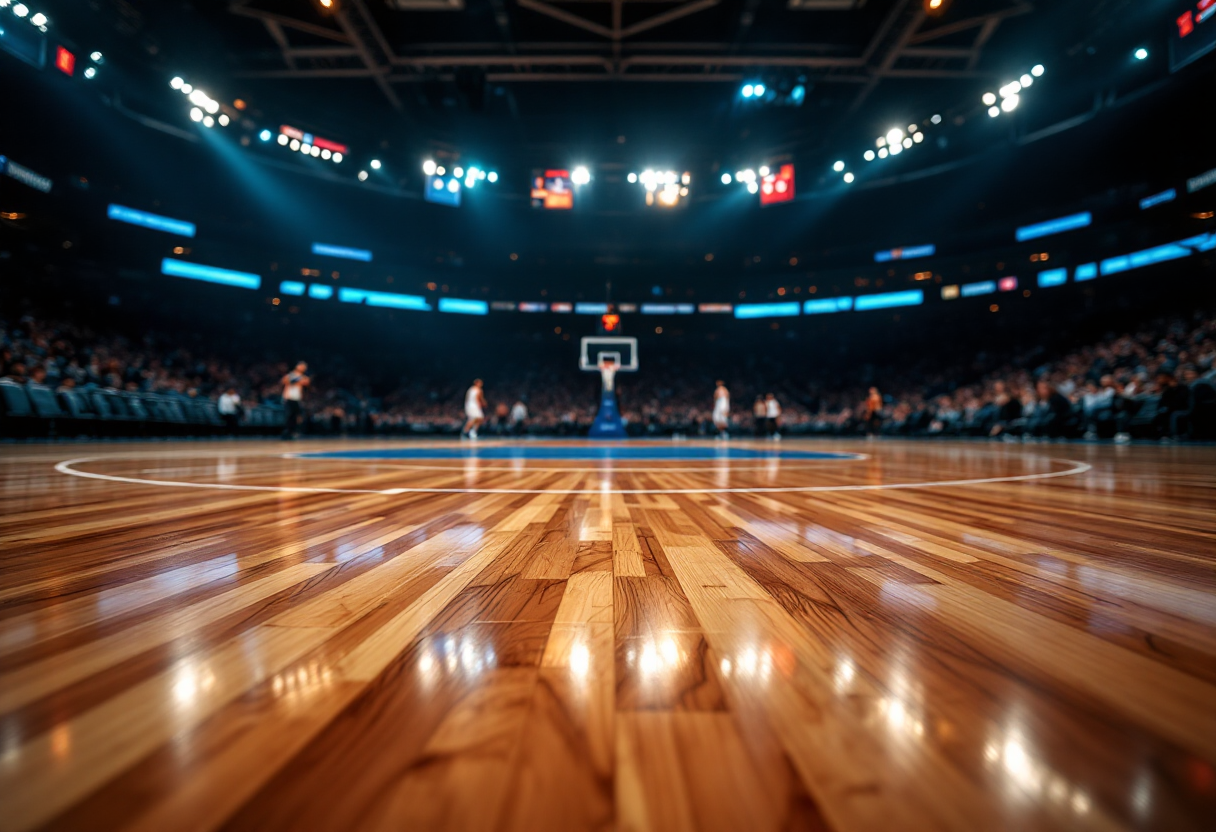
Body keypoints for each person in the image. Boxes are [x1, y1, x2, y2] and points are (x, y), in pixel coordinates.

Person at [281, 362, 310, 440]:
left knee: (296, 416)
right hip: (289, 397)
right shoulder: (291, 375)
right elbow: (285, 380)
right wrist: (296, 380)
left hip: (296, 398)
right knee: (289, 415)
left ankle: (293, 432)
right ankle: (287, 432)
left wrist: (298, 380)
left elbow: (306, 382)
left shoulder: (303, 377)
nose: (304, 368)